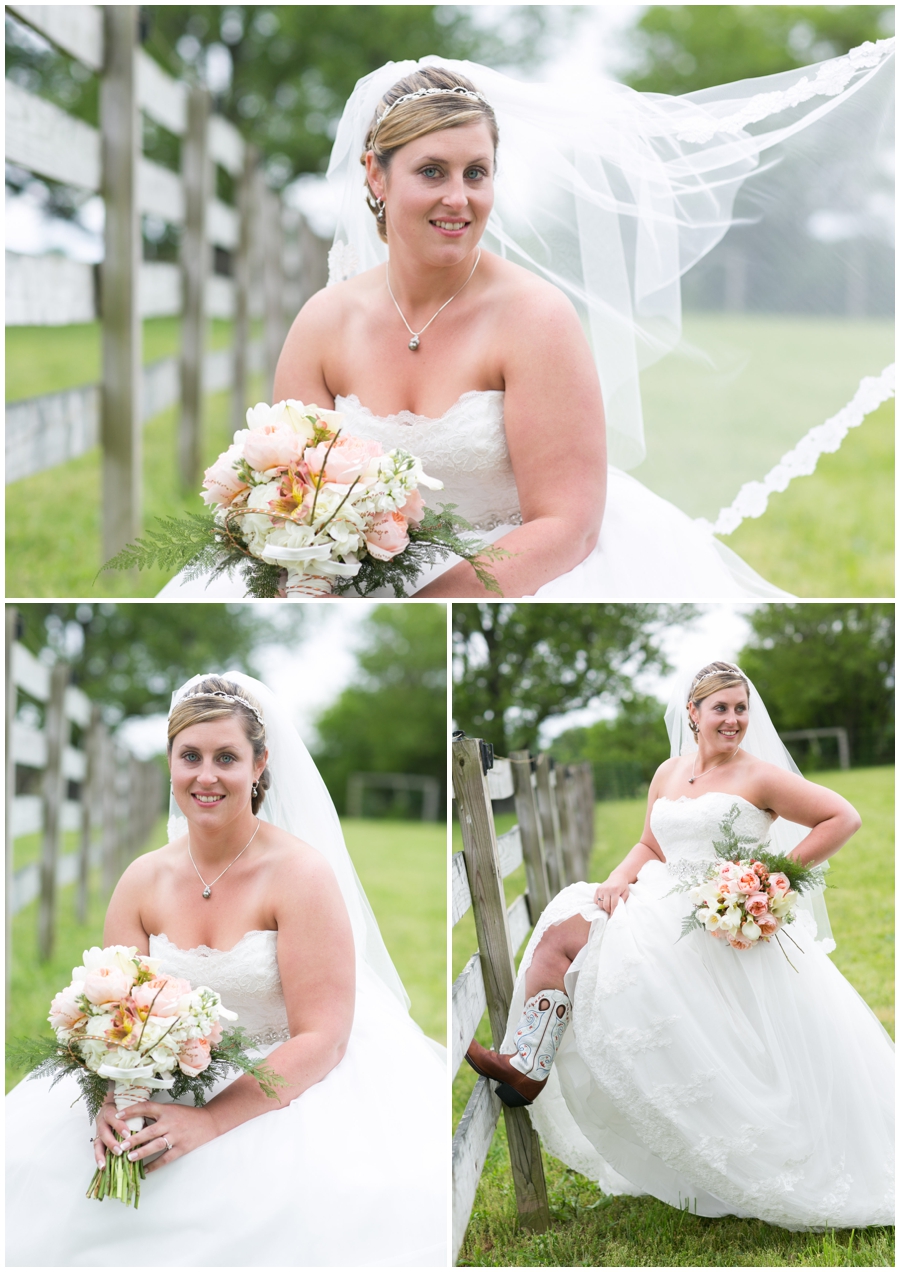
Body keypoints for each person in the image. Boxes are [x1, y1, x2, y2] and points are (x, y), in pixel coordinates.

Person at [158, 40, 894, 600]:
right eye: (433, 172)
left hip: (522, 571)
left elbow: (566, 524)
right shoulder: (324, 323)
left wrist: (428, 596)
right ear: (376, 176)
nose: (460, 198)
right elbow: (288, 491)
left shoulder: (534, 318)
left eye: (476, 173)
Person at [6, 674, 446, 1267]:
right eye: (190, 756)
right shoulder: (142, 879)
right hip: (164, 1081)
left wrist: (209, 1121)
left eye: (226, 758)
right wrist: (113, 1097)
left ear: (260, 764)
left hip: (286, 1077)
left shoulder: (300, 876)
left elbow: (323, 1036)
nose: (205, 776)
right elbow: (115, 1019)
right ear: (169, 762)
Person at [467, 661, 894, 1230]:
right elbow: (650, 841)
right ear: (692, 714)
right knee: (562, 925)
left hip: (718, 918)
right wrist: (617, 878)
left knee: (743, 1051)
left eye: (741, 708)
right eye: (721, 708)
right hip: (658, 900)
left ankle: (534, 1067)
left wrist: (766, 878)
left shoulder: (759, 776)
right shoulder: (669, 772)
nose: (734, 719)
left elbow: (843, 816)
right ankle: (528, 1062)